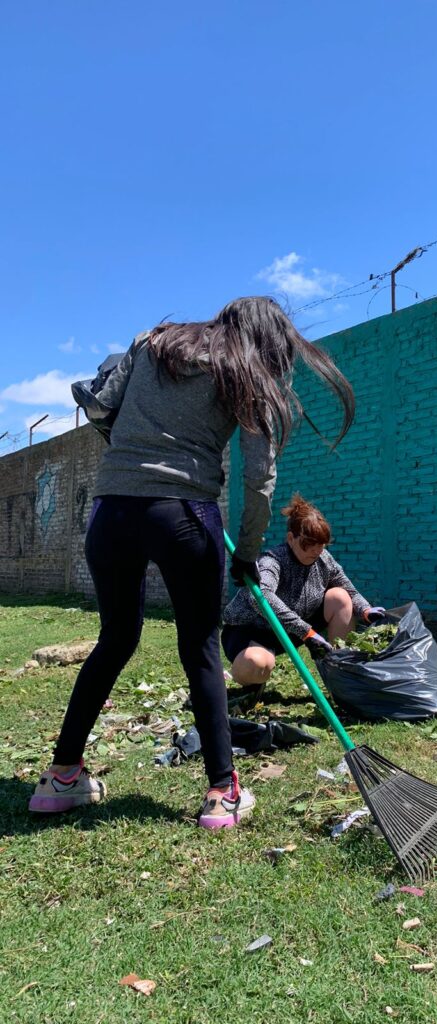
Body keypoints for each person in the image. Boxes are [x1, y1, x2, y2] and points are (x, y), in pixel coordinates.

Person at [29, 297, 355, 829]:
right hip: (183, 513)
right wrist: (248, 553)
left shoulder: (153, 340)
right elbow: (259, 480)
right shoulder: (245, 369)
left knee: (116, 637)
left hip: (110, 512)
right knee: (200, 647)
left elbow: (101, 407)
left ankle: (61, 777)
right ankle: (222, 792)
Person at [221, 495, 386, 692]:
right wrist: (306, 632)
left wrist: (366, 610)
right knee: (256, 665)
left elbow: (348, 589)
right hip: (253, 631)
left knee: (340, 596)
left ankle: (340, 672)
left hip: (295, 629)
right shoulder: (272, 561)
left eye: (321, 544)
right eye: (309, 544)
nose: (316, 551)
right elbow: (262, 597)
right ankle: (247, 679)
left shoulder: (323, 558)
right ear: (291, 538)